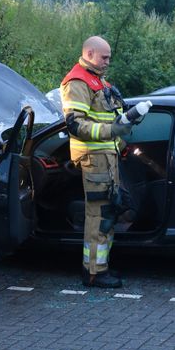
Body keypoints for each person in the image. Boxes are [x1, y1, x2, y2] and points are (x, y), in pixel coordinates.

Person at [60, 36, 136, 288]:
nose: (107, 62)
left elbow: (108, 114)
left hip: (107, 157)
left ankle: (98, 266)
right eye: (104, 57)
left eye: (109, 58)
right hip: (94, 160)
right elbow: (75, 124)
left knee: (109, 211)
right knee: (99, 215)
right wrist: (112, 130)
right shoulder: (78, 81)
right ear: (89, 53)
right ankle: (93, 272)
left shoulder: (98, 80)